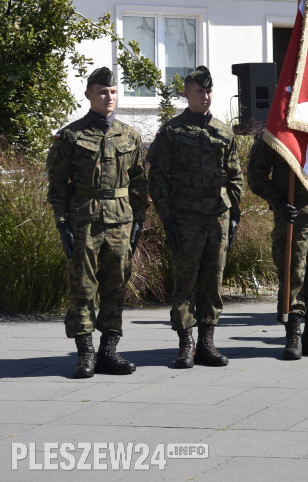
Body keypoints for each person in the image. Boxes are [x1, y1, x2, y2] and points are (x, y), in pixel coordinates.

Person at [47, 67, 148, 379]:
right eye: (102, 91)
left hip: (120, 221)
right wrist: (62, 222)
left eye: (113, 92)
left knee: (116, 287)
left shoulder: (129, 136)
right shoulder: (71, 135)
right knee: (83, 288)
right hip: (84, 221)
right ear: (89, 93)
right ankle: (85, 353)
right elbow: (57, 184)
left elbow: (140, 182)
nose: (108, 97)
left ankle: (109, 351)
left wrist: (139, 222)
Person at [148, 66, 244, 369]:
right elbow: (157, 179)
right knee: (185, 281)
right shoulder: (173, 132)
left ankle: (207, 342)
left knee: (213, 282)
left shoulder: (223, 131)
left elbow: (235, 176)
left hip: (217, 217)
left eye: (209, 91)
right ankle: (186, 343)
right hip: (186, 218)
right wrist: (168, 219)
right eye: (199, 92)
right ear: (186, 94)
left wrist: (234, 215)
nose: (205, 97)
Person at [247, 135, 308, 360]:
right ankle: (293, 334)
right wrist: (278, 201)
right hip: (292, 209)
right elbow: (255, 175)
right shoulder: (274, 132)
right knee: (292, 274)